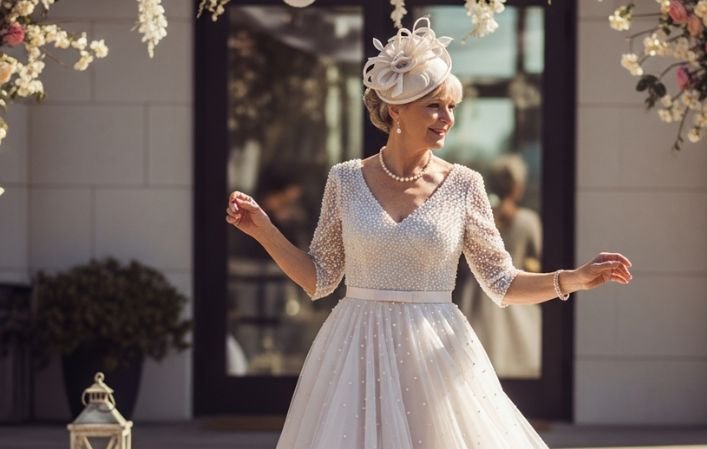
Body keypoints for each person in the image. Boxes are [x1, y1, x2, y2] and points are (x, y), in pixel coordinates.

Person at [226, 17, 633, 449]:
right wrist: (265, 231)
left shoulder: (464, 184)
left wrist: (573, 278)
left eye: (452, 107)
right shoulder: (344, 179)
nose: (447, 119)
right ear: (396, 109)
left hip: (436, 353)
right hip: (354, 352)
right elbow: (320, 278)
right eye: (435, 106)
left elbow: (502, 282)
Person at [457, 153, 545, 378]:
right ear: (517, 187)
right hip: (513, 290)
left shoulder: (481, 217)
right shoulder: (527, 221)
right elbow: (536, 257)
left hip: (477, 294)